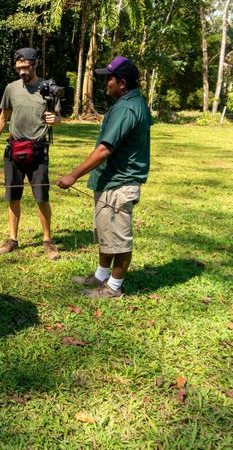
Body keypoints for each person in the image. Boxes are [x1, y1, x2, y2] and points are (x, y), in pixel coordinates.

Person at [56, 56, 152, 298]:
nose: (105, 83)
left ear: (122, 83)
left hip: (120, 184)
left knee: (119, 240)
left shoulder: (128, 108)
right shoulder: (129, 102)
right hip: (110, 181)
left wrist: (73, 175)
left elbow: (104, 149)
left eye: (108, 78)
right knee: (106, 233)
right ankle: (101, 276)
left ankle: (114, 287)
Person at [0, 47, 61, 260]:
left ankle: (47, 240)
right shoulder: (11, 89)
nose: (22, 72)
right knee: (13, 196)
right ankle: (12, 239)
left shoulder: (48, 89)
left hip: (38, 150)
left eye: (26, 67)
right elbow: (2, 118)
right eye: (19, 68)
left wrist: (55, 120)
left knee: (41, 197)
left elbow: (58, 118)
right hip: (14, 151)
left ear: (35, 64)